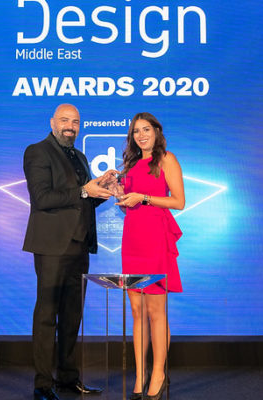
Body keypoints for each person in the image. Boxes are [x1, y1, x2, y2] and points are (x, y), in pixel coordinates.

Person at [23, 103, 116, 400]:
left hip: (79, 246)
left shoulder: (80, 156)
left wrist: (102, 189)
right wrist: (85, 190)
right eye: (64, 120)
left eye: (75, 122)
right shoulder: (37, 151)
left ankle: (67, 378)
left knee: (72, 315)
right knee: (47, 315)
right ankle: (42, 384)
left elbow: (81, 201)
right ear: (52, 122)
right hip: (51, 246)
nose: (70, 126)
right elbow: (42, 198)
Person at [115, 112, 185, 400]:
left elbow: (178, 201)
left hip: (156, 239)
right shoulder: (131, 164)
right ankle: (140, 374)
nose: (141, 135)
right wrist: (120, 195)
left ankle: (158, 373)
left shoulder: (167, 159)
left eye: (146, 129)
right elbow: (128, 206)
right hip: (132, 239)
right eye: (136, 131)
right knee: (136, 311)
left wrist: (142, 197)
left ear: (157, 131)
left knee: (156, 311)